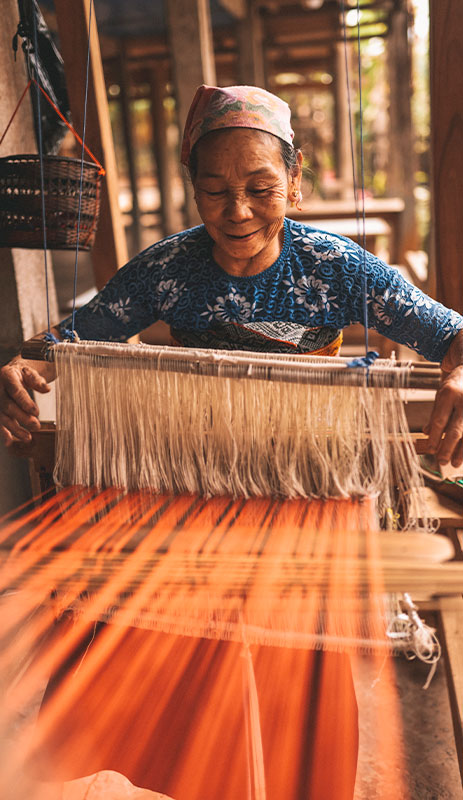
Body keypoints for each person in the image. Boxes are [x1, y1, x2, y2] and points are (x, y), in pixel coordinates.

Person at [1, 84, 463, 799]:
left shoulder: (335, 268)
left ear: (295, 182)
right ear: (192, 190)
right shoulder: (168, 270)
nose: (237, 210)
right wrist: (18, 369)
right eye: (214, 190)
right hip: (203, 474)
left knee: (299, 659)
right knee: (172, 639)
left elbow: (451, 333)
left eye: (260, 188)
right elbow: (56, 349)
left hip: (308, 478)